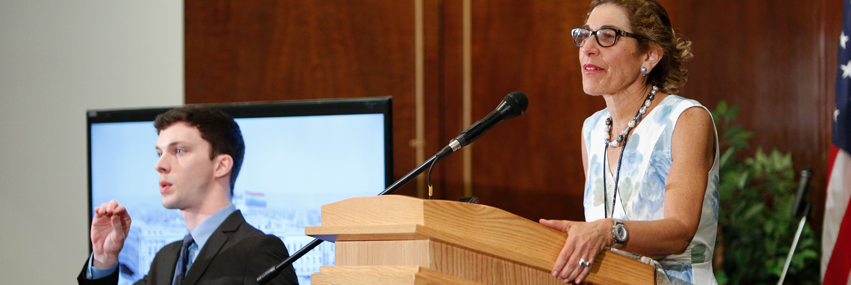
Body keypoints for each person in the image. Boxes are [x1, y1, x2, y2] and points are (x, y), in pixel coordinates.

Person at [538, 0, 719, 284]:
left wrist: (606, 231)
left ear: (649, 55)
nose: (587, 48)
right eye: (584, 35)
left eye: (607, 36)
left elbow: (680, 231)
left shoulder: (686, 119)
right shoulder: (592, 129)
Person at [77, 106, 299, 285]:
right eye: (159, 153)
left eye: (179, 151)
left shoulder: (258, 251)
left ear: (221, 165)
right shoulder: (165, 259)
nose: (159, 165)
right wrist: (104, 259)